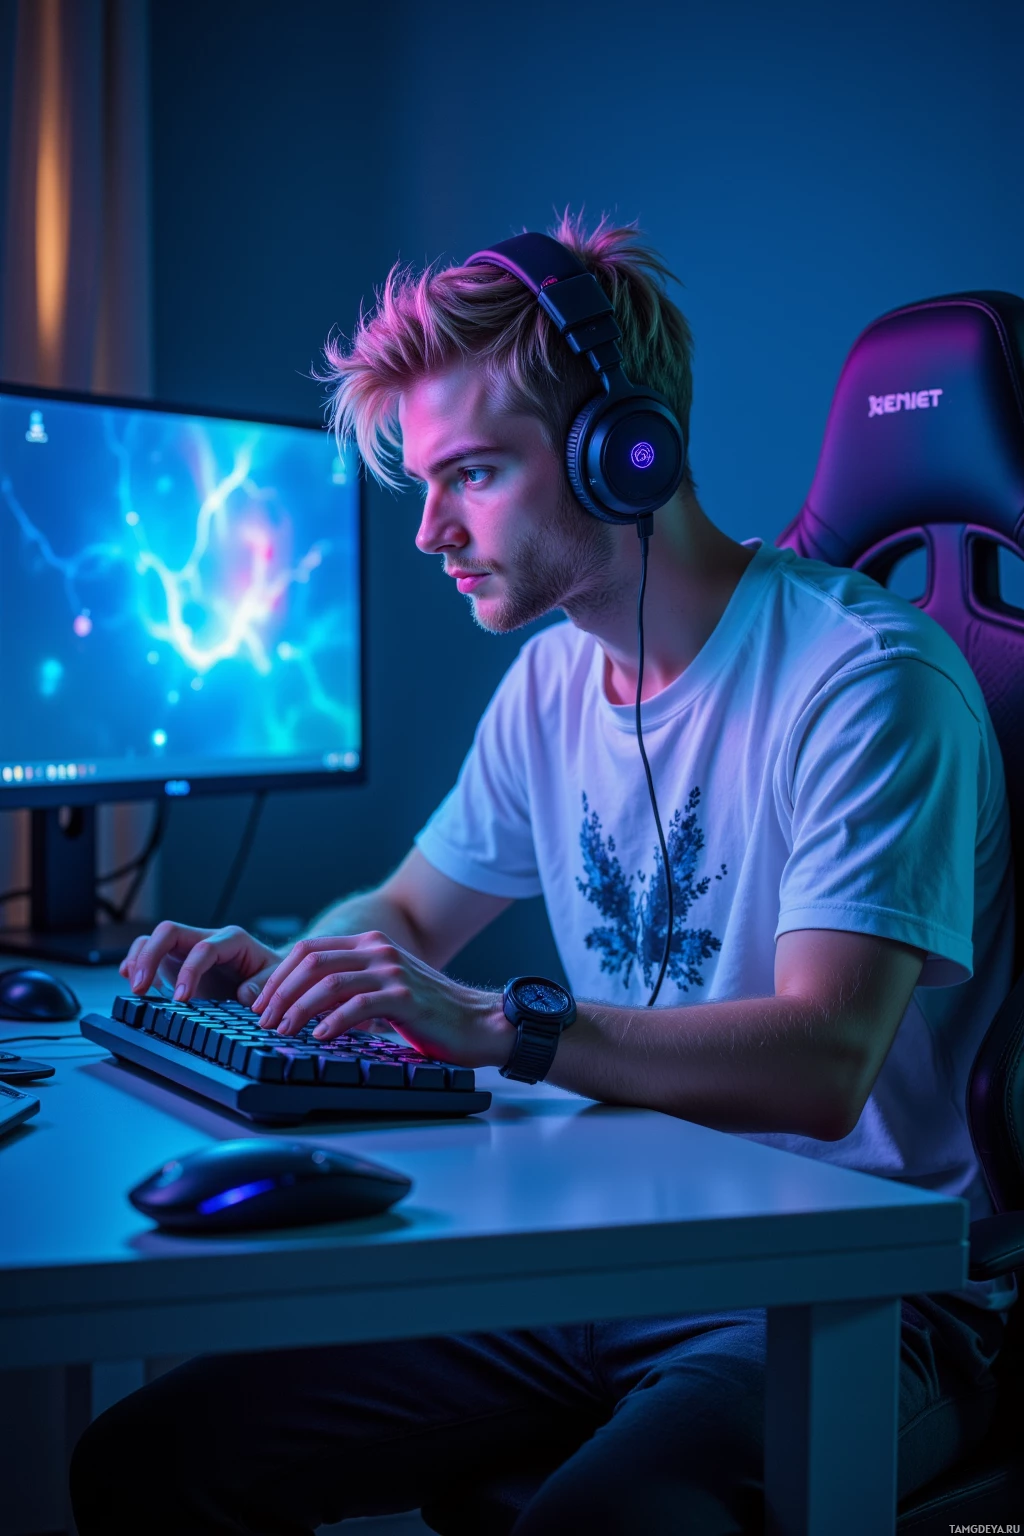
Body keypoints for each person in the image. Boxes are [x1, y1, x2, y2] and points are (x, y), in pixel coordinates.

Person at [71, 213, 1016, 1535]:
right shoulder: (553, 685)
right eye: (424, 485)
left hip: (855, 1291)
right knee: (147, 1463)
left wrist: (503, 1026)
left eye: (470, 475)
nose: (429, 533)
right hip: (612, 1246)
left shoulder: (866, 682)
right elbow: (406, 911)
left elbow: (824, 1058)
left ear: (624, 452)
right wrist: (283, 972)